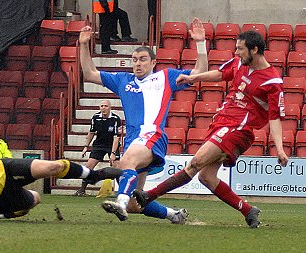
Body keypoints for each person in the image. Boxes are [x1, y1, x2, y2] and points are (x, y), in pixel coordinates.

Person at [133, 30, 289, 228]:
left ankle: (149, 195)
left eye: (240, 48)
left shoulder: (272, 82)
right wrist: (193, 78)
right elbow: (220, 74)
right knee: (206, 177)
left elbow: (275, 118)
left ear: (255, 49)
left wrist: (280, 149)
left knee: (196, 162)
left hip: (238, 129)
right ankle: (248, 210)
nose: (237, 52)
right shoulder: (239, 63)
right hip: (222, 123)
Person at [79, 17, 208, 223]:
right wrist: (84, 45)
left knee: (126, 163)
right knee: (136, 202)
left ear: (153, 62)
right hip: (132, 139)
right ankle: (174, 215)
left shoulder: (165, 77)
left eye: (142, 59)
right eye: (135, 60)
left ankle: (119, 203)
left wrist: (200, 43)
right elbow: (89, 73)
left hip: (151, 134)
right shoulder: (123, 80)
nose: (138, 64)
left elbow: (199, 73)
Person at [74, 100, 122, 196]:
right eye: (101, 106)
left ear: (110, 107)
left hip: (112, 145)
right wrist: (85, 147)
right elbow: (91, 132)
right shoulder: (95, 117)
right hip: (99, 145)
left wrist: (113, 154)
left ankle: (122, 191)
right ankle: (82, 190)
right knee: (88, 167)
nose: (103, 108)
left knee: (117, 168)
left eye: (106, 106)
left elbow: (116, 138)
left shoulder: (115, 119)